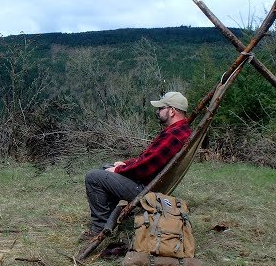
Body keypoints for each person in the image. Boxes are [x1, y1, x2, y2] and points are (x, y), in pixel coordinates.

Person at [81, 91, 193, 240]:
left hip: (145, 189)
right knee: (105, 169)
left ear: (172, 111)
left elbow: (146, 166)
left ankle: (99, 228)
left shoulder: (174, 135)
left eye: (161, 108)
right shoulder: (179, 131)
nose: (157, 112)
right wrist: (124, 164)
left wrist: (119, 170)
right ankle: (108, 218)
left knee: (93, 177)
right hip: (148, 182)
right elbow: (147, 158)